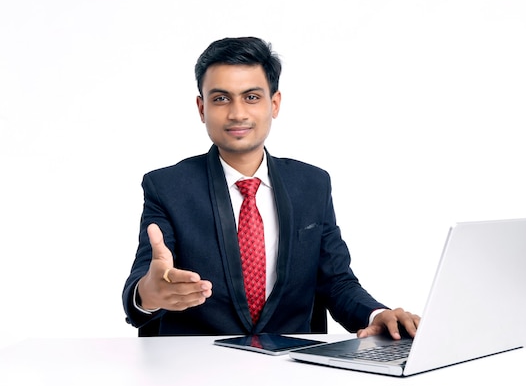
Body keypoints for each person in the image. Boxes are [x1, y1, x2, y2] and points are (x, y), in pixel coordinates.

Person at [122, 37, 420, 338]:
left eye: (251, 97)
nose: (237, 113)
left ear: (274, 103)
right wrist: (149, 293)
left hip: (290, 366)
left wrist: (377, 314)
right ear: (202, 108)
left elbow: (336, 282)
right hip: (199, 368)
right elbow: (146, 279)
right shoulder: (167, 187)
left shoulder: (312, 184)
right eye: (221, 99)